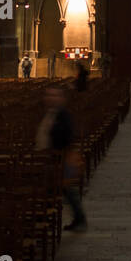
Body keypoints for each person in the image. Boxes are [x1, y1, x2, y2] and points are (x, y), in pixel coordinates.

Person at [36, 86, 87, 232]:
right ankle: (76, 218)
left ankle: (78, 217)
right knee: (62, 189)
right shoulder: (49, 113)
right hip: (52, 158)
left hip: (62, 157)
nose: (50, 99)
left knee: (67, 189)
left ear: (61, 99)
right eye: (48, 96)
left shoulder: (63, 115)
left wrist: (57, 151)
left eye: (54, 96)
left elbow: (66, 136)